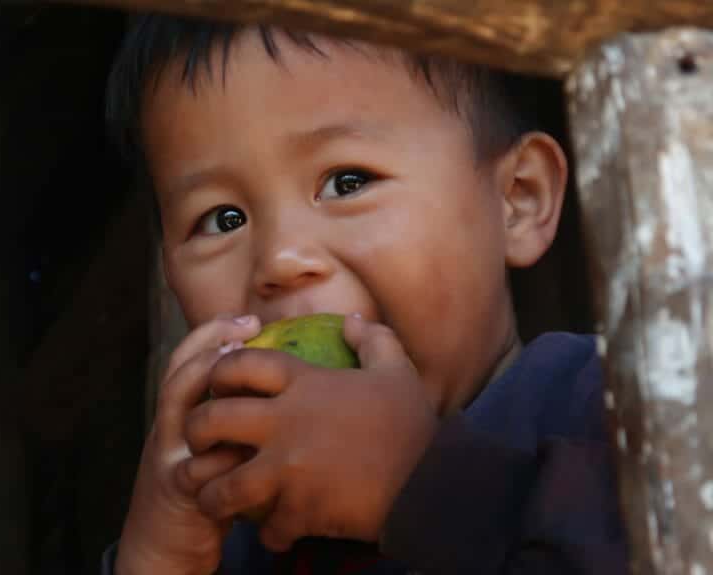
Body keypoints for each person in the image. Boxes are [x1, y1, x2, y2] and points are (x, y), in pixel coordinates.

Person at [101, 14, 628, 575]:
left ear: (517, 199)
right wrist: (158, 557)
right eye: (222, 219)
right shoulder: (234, 529)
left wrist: (418, 488)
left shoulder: (603, 416)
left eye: (347, 182)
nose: (280, 259)